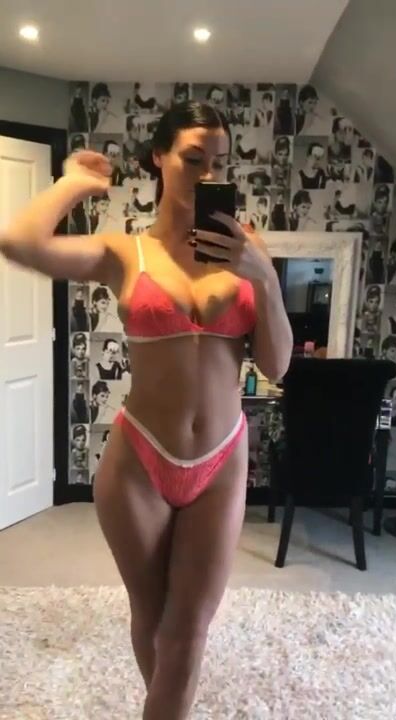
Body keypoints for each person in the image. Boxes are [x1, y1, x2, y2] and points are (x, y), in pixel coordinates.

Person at [0, 101, 292, 719]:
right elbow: (18, 241)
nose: (207, 175)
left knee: (187, 634)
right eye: (192, 158)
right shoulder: (123, 252)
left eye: (219, 164)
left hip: (221, 459)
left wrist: (264, 280)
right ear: (159, 157)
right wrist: (74, 183)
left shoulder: (249, 252)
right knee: (153, 617)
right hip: (140, 459)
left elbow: (278, 363)